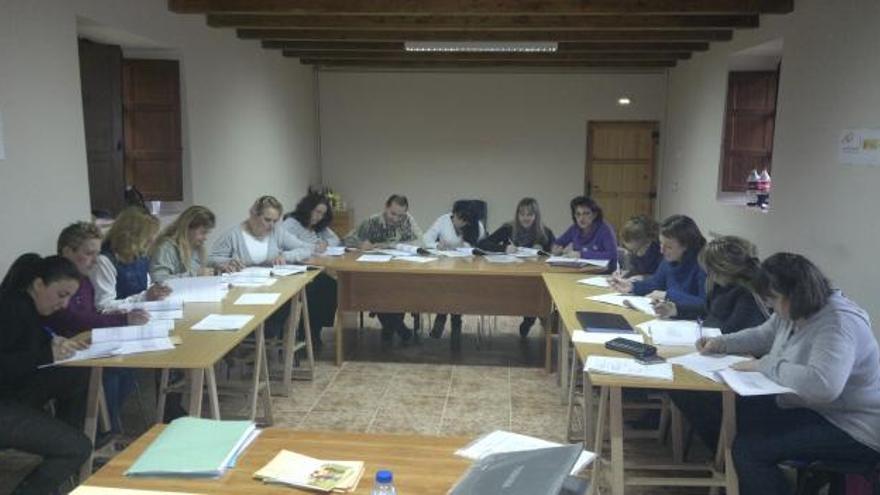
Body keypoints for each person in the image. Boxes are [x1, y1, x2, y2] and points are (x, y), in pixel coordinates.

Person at [697, 253, 880, 495]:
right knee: (738, 416)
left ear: (795, 294)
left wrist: (766, 365)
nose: (770, 305)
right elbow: (764, 335)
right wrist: (720, 343)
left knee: (750, 449)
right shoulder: (797, 310)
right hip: (815, 410)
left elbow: (822, 385)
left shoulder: (837, 324)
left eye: (772, 299)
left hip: (852, 427)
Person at [663, 236, 769, 451]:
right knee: (676, 382)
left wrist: (710, 340)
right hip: (716, 355)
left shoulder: (747, 295)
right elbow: (711, 312)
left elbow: (732, 334)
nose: (707, 275)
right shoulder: (722, 287)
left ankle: (724, 448)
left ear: (723, 269)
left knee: (681, 386)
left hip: (739, 370)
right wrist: (677, 310)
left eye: (710, 270)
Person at [0, 254, 92, 495]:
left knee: (76, 376)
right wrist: (47, 355)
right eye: (62, 295)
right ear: (38, 284)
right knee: (78, 448)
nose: (64, 305)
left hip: (12, 394)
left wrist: (57, 344)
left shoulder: (25, 306)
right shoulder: (11, 309)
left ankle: (62, 440)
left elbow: (35, 346)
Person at [91, 207, 170, 434]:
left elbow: (141, 291)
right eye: (148, 237)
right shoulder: (105, 261)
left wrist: (151, 294)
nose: (152, 242)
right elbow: (104, 306)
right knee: (116, 371)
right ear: (132, 236)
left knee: (133, 369)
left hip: (134, 324)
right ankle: (107, 427)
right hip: (112, 326)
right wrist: (142, 298)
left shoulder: (140, 257)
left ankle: (117, 420)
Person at [44, 221, 149, 337]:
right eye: (89, 253)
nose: (95, 260)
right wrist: (122, 319)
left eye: (97, 254)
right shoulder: (54, 281)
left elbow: (89, 315)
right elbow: (73, 321)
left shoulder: (85, 280)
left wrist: (109, 315)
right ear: (67, 252)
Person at [343, 194, 424, 344]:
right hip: (375, 271)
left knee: (402, 290)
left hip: (400, 269)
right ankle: (398, 328)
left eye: (400, 215)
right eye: (393, 214)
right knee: (379, 289)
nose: (396, 219)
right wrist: (361, 244)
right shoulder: (372, 222)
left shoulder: (407, 220)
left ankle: (390, 327)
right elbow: (347, 239)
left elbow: (422, 242)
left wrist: (398, 245)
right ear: (386, 207)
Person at [478, 197, 555, 338]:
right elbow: (483, 244)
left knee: (538, 293)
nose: (525, 218)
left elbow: (554, 254)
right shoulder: (508, 228)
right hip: (512, 275)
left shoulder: (545, 232)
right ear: (517, 215)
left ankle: (530, 319)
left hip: (536, 278)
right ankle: (530, 316)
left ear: (536, 216)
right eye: (522, 214)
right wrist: (504, 248)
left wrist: (545, 253)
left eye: (530, 215)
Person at [609, 214, 706, 312]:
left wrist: (667, 295)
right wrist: (632, 286)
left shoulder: (703, 264)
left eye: (668, 247)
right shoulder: (669, 260)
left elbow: (704, 304)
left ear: (686, 245)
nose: (662, 251)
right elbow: (656, 283)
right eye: (661, 243)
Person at [281, 193, 341, 352]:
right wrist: (311, 249)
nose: (319, 217)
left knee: (330, 285)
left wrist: (325, 242)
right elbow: (285, 248)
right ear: (308, 208)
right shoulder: (291, 223)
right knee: (324, 287)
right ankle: (306, 333)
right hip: (292, 271)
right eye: (316, 212)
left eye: (322, 214)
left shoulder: (316, 226)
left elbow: (335, 239)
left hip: (310, 269)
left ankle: (315, 330)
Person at [423, 200, 486, 345]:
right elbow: (425, 240)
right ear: (454, 214)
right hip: (444, 268)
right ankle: (449, 319)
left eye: (465, 221)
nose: (461, 223)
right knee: (449, 286)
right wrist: (437, 245)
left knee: (458, 287)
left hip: (468, 270)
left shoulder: (477, 226)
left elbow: (483, 245)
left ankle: (448, 319)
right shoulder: (443, 220)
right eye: (459, 218)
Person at [209, 195, 314, 271]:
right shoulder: (233, 235)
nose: (272, 225)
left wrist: (286, 256)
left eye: (275, 221)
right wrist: (226, 262)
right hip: (241, 289)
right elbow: (211, 259)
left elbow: (307, 249)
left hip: (274, 286)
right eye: (267, 220)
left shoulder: (277, 233)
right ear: (253, 215)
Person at [149, 205, 216, 282]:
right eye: (202, 232)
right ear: (187, 228)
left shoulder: (194, 246)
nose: (205, 238)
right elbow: (159, 280)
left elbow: (205, 263)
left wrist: (218, 266)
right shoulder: (166, 247)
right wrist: (194, 275)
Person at [551, 196, 618, 273]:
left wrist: (581, 254)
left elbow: (612, 255)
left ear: (594, 215)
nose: (581, 218)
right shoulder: (574, 229)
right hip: (580, 272)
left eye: (586, 214)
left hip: (603, 275)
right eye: (578, 214)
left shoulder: (605, 229)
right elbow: (558, 243)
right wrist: (556, 249)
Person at [618, 215, 661, 279]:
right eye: (626, 248)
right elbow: (635, 270)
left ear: (648, 243)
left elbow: (664, 278)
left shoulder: (662, 253)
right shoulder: (634, 252)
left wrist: (644, 277)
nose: (628, 253)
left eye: (634, 251)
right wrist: (624, 276)